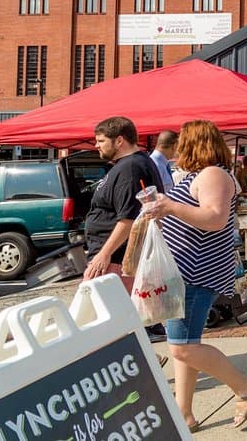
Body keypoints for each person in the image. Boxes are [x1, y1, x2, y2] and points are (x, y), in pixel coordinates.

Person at [144, 120, 247, 432]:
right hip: (185, 271)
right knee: (184, 344)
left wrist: (169, 205)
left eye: (183, 141)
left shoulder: (213, 174)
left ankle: (245, 385)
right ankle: (184, 414)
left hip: (196, 272)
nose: (178, 146)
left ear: (194, 143)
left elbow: (214, 218)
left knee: (182, 348)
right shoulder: (200, 176)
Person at [82, 116, 166, 342]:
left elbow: (128, 219)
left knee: (94, 323)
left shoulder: (130, 167)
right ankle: (143, 357)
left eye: (100, 140)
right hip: (115, 259)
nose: (96, 145)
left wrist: (104, 254)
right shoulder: (128, 165)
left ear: (119, 141)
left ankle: (137, 360)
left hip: (115, 259)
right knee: (116, 322)